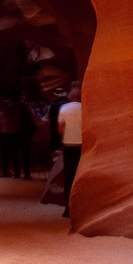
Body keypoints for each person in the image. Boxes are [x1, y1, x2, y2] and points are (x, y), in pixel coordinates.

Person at [56, 81, 82, 219]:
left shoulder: (64, 108)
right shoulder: (85, 108)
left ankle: (68, 208)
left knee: (69, 176)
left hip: (68, 144)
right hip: (82, 145)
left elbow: (60, 129)